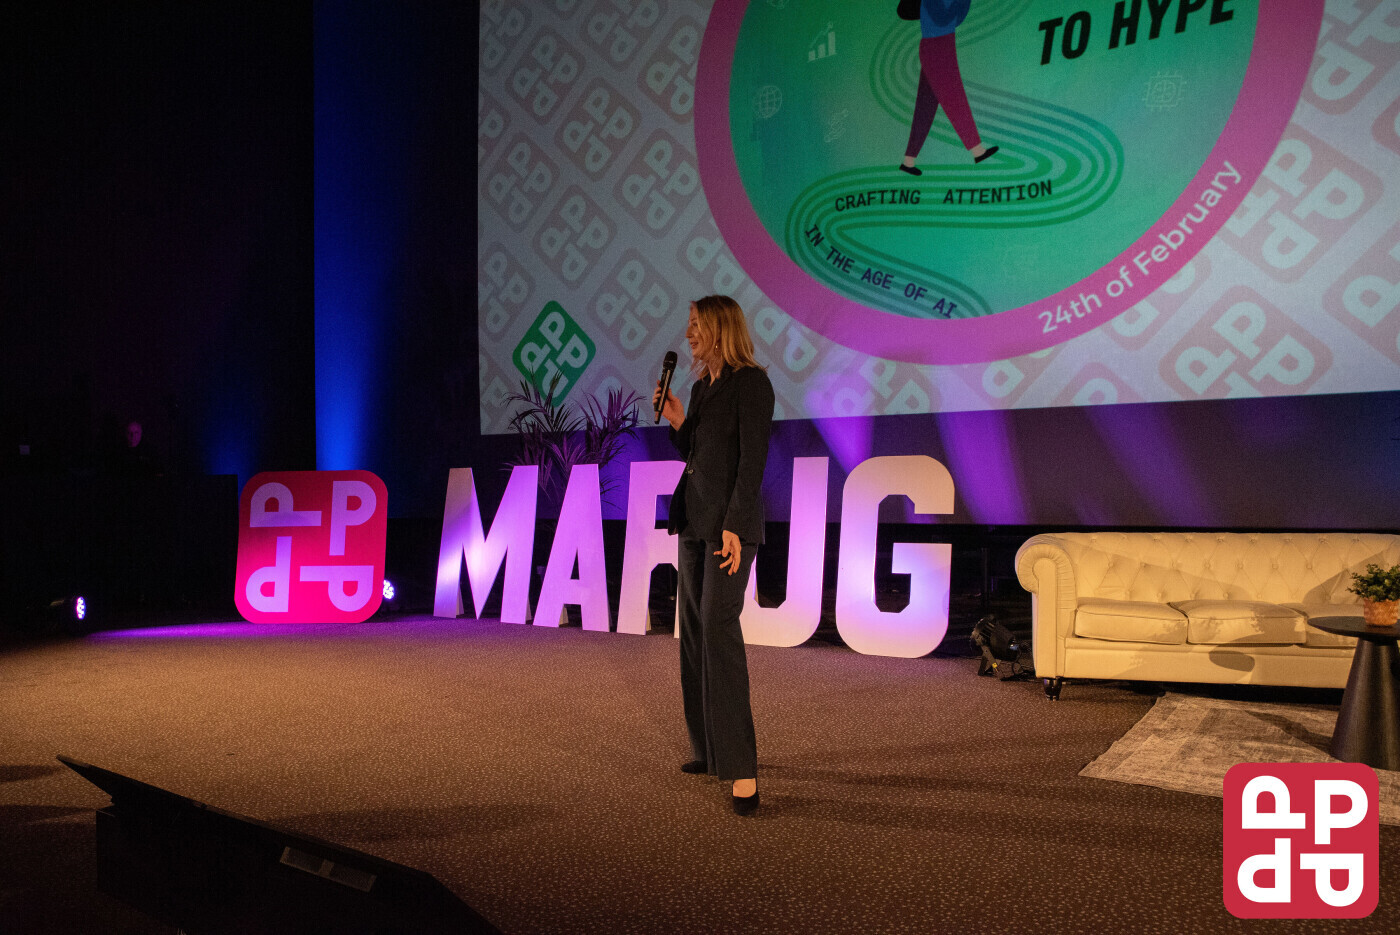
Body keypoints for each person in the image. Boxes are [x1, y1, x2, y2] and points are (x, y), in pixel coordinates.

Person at [653, 295, 775, 816]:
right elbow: (698, 455)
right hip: (694, 522)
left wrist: (735, 525)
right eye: (689, 325)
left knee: (720, 629)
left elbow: (751, 462)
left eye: (696, 325)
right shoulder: (704, 387)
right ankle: (708, 749)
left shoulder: (752, 384)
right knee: (694, 633)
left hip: (729, 529)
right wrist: (680, 420)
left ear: (721, 328)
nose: (689, 334)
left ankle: (742, 768)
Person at [899, 0, 998, 175]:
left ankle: (908, 161)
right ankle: (977, 150)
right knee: (954, 99)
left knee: (925, 108)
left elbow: (957, 20)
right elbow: (942, 19)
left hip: (943, 45)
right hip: (936, 48)